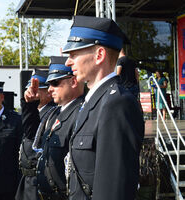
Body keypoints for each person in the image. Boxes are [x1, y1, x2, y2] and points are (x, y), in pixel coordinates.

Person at [64, 16, 144, 200]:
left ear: (99, 55)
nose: (68, 62)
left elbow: (113, 188)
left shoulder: (116, 104)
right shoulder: (94, 102)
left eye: (74, 54)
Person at [24, 56, 84, 200]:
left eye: (55, 83)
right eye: (49, 84)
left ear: (74, 81)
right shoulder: (54, 113)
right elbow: (31, 135)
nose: (50, 89)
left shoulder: (82, 113)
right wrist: (30, 105)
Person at [16, 68, 55, 200]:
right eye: (29, 88)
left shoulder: (53, 113)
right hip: (25, 177)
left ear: (48, 92)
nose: (31, 92)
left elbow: (33, 133)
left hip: (40, 177)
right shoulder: (29, 112)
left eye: (36, 89)